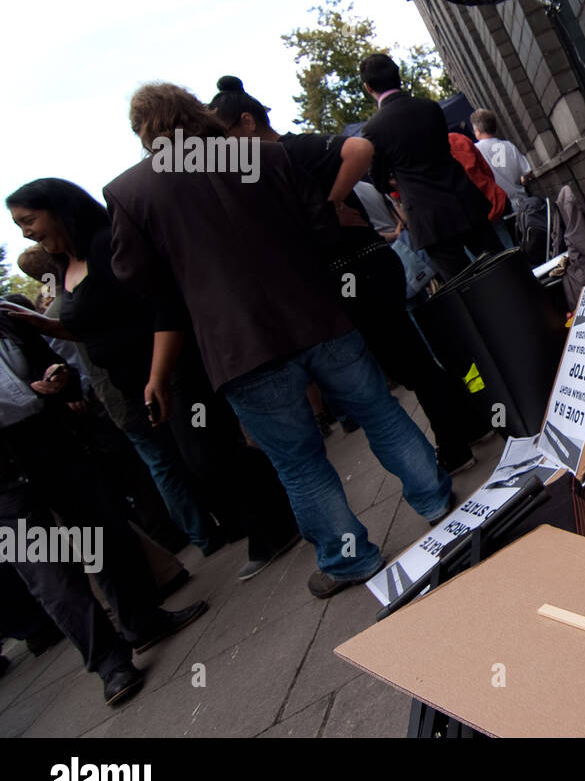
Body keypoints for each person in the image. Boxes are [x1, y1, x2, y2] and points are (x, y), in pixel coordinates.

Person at [105, 83, 456, 598]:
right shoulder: (263, 156)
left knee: (298, 459)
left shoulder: (131, 191)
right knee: (380, 411)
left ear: (143, 130)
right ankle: (436, 501)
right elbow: (318, 223)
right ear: (193, 110)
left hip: (239, 344)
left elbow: (138, 278)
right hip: (315, 313)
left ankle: (349, 558)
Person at [5, 180, 300, 579]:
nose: (26, 232)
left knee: (208, 452)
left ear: (58, 209)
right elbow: (95, 327)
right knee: (198, 458)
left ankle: (283, 515)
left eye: (29, 220)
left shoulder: (104, 246)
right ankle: (273, 519)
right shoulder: (65, 264)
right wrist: (45, 325)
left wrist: (159, 375)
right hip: (137, 382)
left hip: (174, 371)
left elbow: (164, 308)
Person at [209, 76, 484, 473]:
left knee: (409, 363)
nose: (229, 146)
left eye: (229, 134)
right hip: (355, 271)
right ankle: (468, 424)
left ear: (247, 123)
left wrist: (329, 203)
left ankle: (456, 440)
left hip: (362, 269)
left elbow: (360, 148)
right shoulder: (271, 164)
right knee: (409, 360)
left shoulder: (292, 150)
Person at [0, 304, 206, 705]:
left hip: (46, 443)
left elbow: (54, 364)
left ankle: (142, 622)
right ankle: (110, 663)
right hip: (3, 484)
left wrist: (58, 378)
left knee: (103, 536)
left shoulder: (7, 317)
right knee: (50, 575)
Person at [359, 54, 502, 281]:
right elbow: (443, 149)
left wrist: (396, 178)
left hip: (428, 218)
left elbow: (377, 180)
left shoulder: (373, 129)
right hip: (463, 200)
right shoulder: (429, 107)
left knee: (466, 286)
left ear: (368, 87)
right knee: (503, 265)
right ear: (398, 76)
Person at [449, 121, 512, 249]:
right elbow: (486, 170)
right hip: (491, 201)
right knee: (509, 250)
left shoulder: (428, 155)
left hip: (467, 218)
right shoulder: (458, 139)